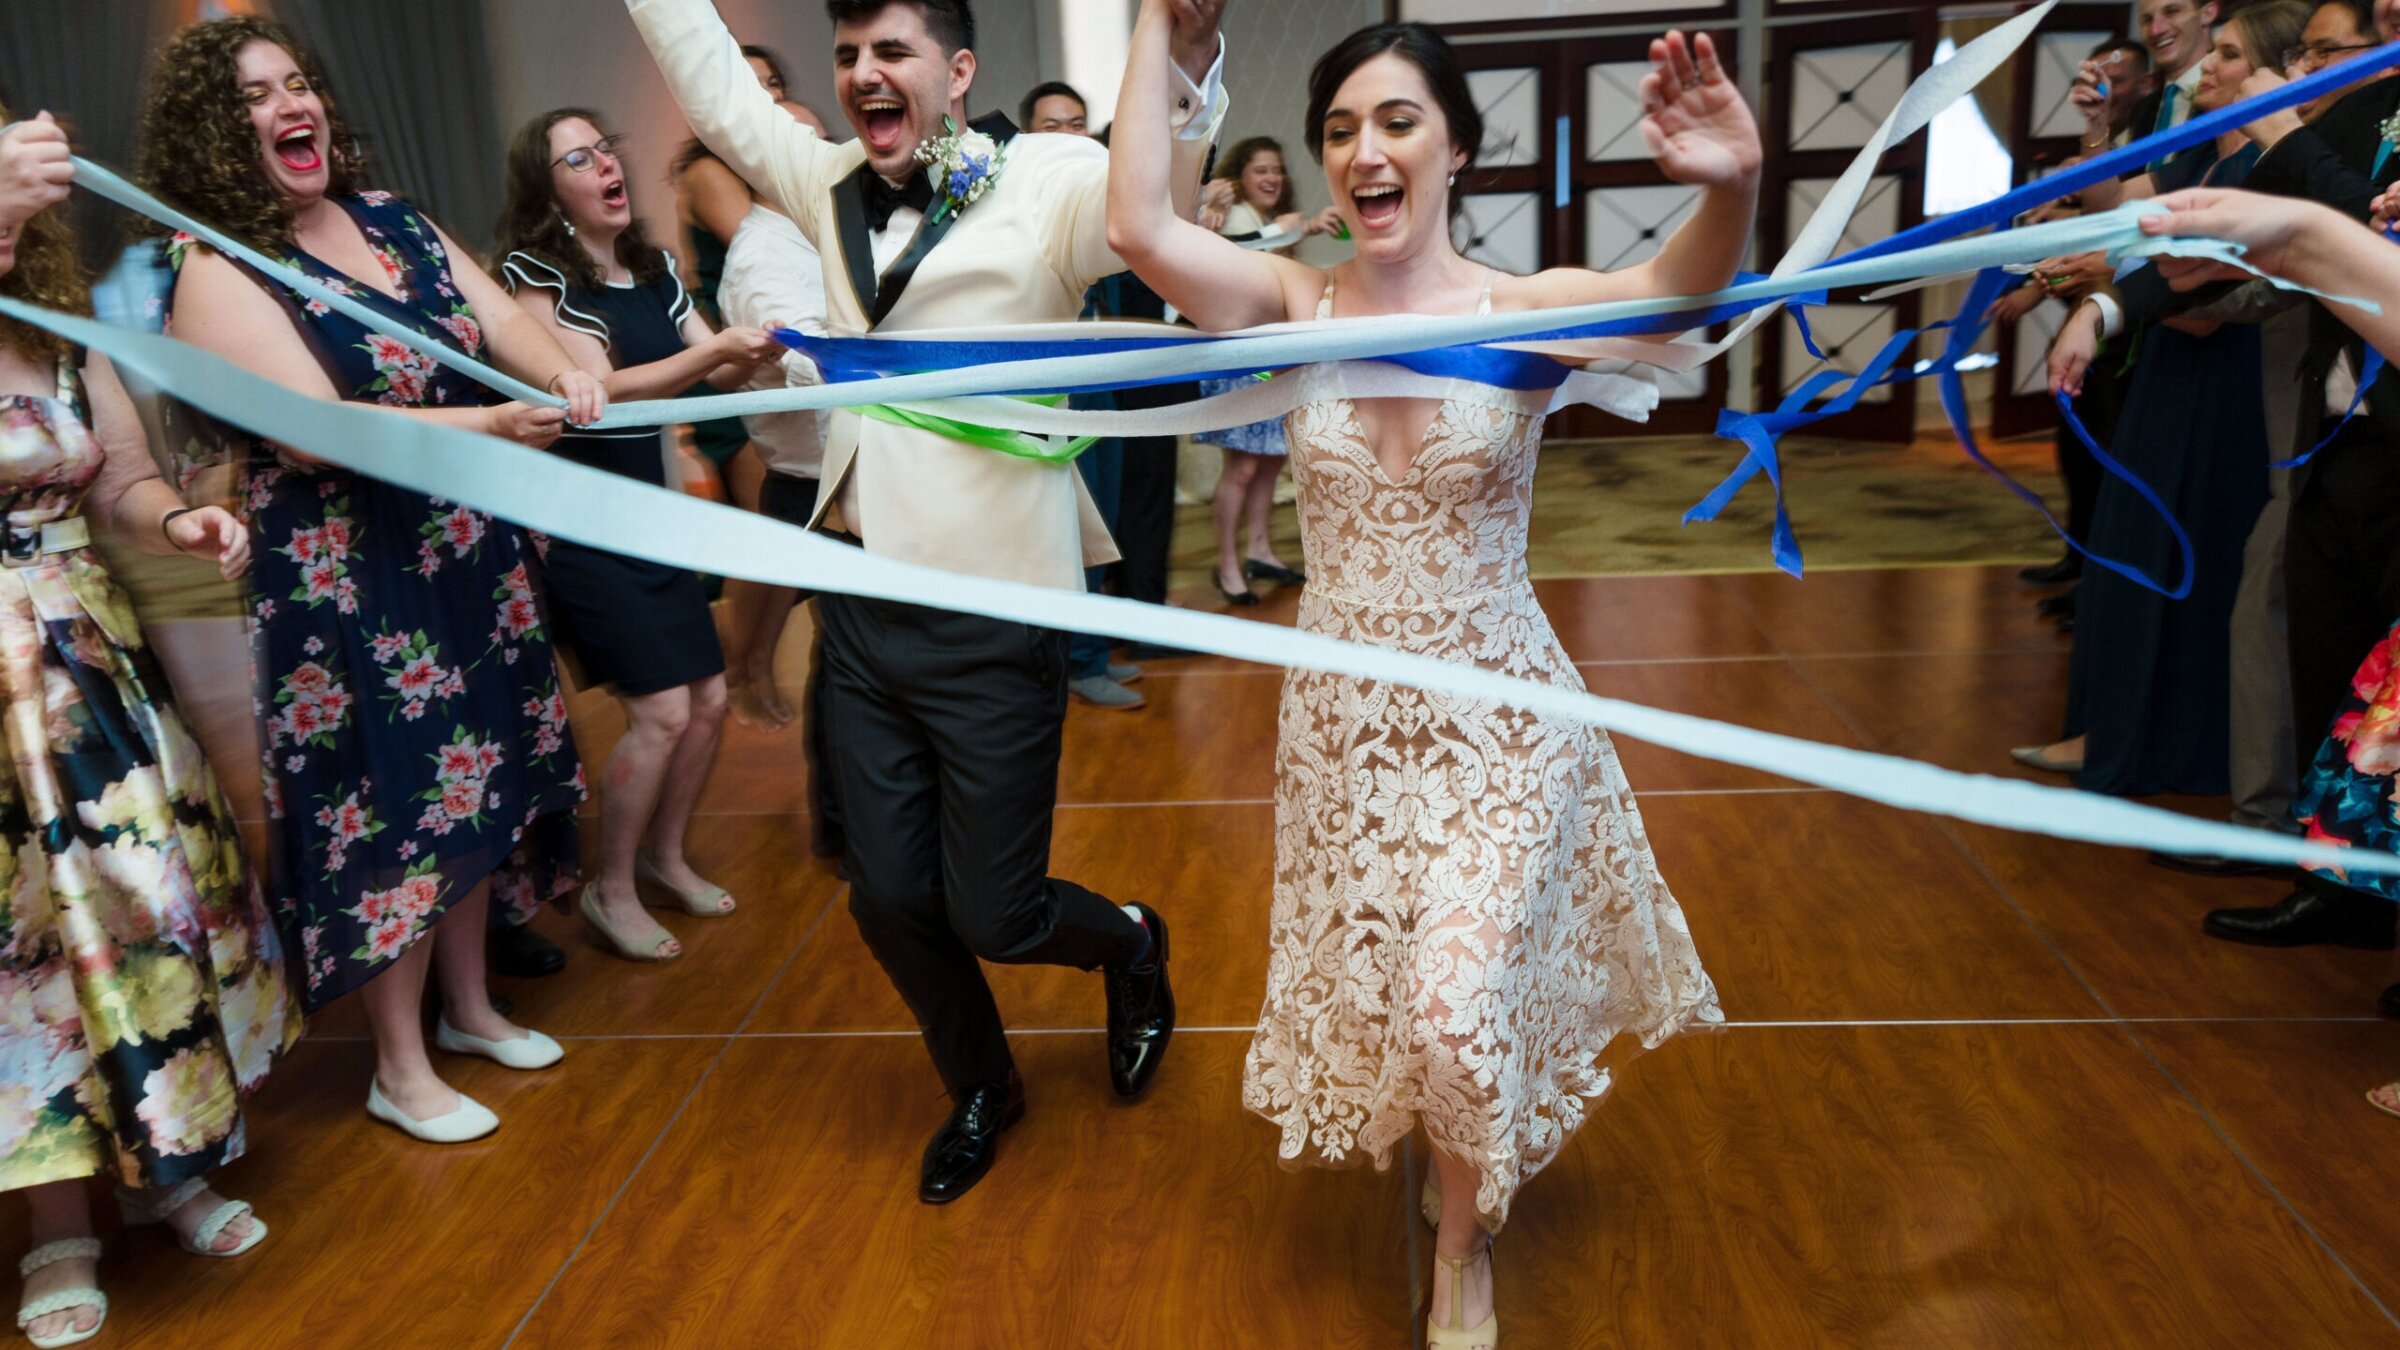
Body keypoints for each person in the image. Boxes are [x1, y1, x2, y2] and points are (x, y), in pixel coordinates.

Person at [1108, 14, 1742, 1345]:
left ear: (1457, 147)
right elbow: (1141, 234)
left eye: (1397, 121)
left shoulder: (1520, 312)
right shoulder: (1296, 305)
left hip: (1501, 711)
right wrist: (1153, 34)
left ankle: (1461, 1247)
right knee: (1408, 995)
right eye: (1341, 129)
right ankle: (1459, 1177)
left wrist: (1731, 185)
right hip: (1344, 732)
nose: (1363, 152)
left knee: (1455, 1012)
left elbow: (1680, 296)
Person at [622, 0, 1223, 1204]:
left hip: (995, 617)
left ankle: (1134, 944)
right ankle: (984, 1084)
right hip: (860, 609)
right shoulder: (826, 176)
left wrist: (1191, 64)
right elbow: (711, 82)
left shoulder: (1047, 179)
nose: (862, 75)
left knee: (996, 909)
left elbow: (1151, 217)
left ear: (957, 69)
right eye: (847, 55)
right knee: (890, 898)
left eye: (891, 52)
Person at [143, 17, 598, 1143]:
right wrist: (495, 417)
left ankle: (470, 1010)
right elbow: (316, 436)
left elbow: (500, 323)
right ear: (213, 133)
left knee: (477, 776)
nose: (291, 106)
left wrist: (571, 372)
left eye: (298, 84)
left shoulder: (396, 219)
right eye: (254, 96)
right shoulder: (214, 269)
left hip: (462, 547)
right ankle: (397, 1067)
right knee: (398, 803)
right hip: (349, 575)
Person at [0, 110, 302, 1350]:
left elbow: (118, 470)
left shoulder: (54, 329)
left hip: (96, 671)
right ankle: (52, 1221)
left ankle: (169, 1164)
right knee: (25, 953)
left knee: (140, 912)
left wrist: (180, 524)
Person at [495, 109, 783, 963]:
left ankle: (664, 857)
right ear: (548, 190)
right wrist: (717, 353)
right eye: (578, 157)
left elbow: (715, 363)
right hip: (582, 531)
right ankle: (608, 888)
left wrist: (770, 346)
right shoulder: (536, 277)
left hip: (651, 520)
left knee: (708, 705)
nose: (606, 165)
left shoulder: (654, 270)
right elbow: (599, 388)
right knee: (659, 714)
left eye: (607, 147)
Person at [2020, 2, 2311, 796]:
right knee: (2129, 551)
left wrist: (2106, 292)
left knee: (2182, 557)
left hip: (2224, 388)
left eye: (2227, 54)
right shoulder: (2202, 161)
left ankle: (2169, 745)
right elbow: (2110, 202)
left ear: (2275, 74)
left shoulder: (2266, 168)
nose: (2209, 68)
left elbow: (2218, 295)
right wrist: (2102, 121)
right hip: (2168, 371)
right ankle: (2113, 729)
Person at [2177, 0, 2400, 955]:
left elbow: (2339, 222)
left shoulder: (2323, 125)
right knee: (2333, 667)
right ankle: (2340, 890)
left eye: (2323, 51)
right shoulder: (2359, 113)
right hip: (2336, 429)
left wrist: (2277, 131)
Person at [721, 98, 835, 734]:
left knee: (852, 654)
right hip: (811, 484)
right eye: (802, 143)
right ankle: (848, 818)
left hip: (836, 474)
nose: (819, 157)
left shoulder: (813, 232)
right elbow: (808, 356)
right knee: (853, 660)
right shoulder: (765, 258)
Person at [1193, 135, 1331, 607]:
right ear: (1239, 179)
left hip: (1273, 354)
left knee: (1272, 460)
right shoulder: (1226, 217)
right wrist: (1301, 227)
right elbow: (1239, 256)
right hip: (1240, 357)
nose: (1272, 178)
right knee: (1244, 465)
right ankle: (1228, 564)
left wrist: (1304, 227)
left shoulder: (1271, 221)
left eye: (1277, 169)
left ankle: (1260, 551)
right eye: (1260, 171)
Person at [671, 43, 791, 510]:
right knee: (768, 533)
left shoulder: (772, 171)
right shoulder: (708, 171)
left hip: (769, 354)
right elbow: (771, 252)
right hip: (730, 359)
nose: (770, 95)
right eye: (754, 84)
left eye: (774, 82)